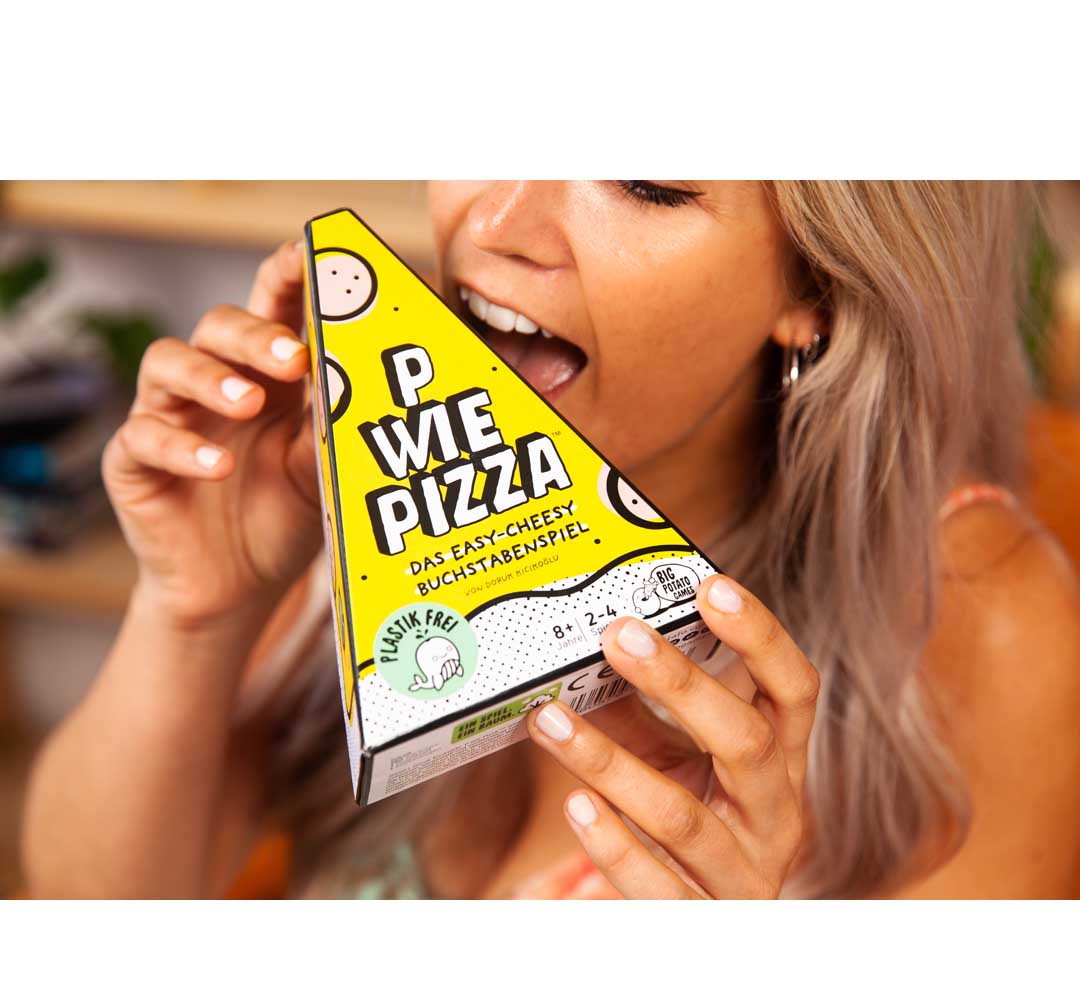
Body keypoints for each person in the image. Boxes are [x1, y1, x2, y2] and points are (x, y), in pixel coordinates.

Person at [21, 182, 1080, 899]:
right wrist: (197, 611)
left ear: (815, 283)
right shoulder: (372, 469)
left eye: (645, 182)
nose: (499, 222)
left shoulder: (983, 614)